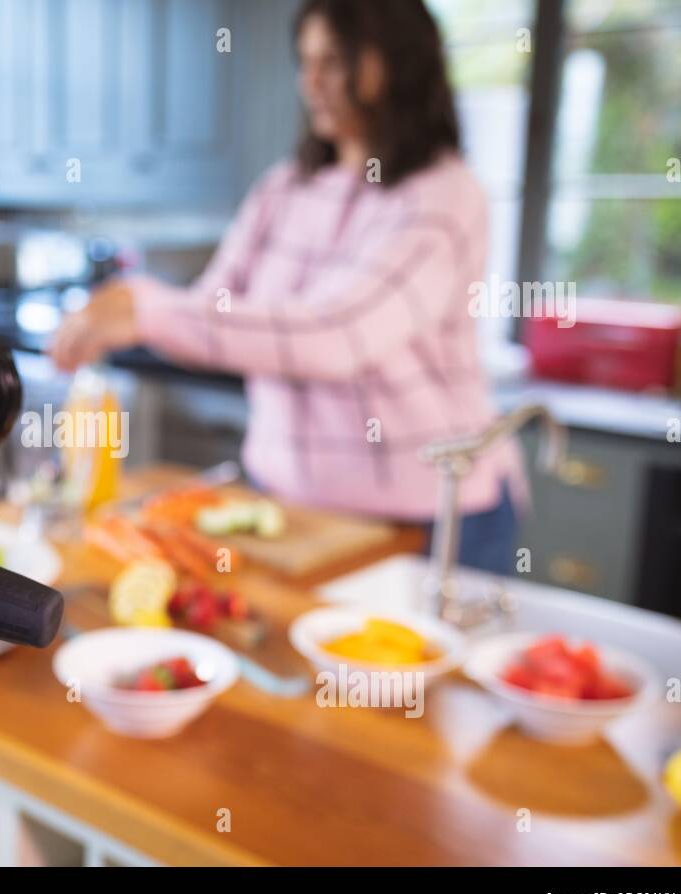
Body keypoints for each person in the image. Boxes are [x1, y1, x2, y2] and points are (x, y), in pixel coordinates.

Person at [48, 0, 524, 574]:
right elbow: (212, 310)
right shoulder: (285, 187)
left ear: (400, 64)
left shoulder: (445, 193)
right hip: (290, 508)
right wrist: (137, 309)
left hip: (428, 519)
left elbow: (339, 334)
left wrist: (146, 310)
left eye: (334, 61)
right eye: (305, 61)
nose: (312, 82)